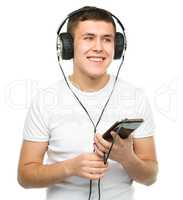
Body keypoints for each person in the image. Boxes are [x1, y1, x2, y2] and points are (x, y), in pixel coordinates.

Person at [17, 6, 158, 200]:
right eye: (89, 38)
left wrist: (127, 158)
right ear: (67, 46)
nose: (99, 47)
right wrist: (70, 167)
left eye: (107, 39)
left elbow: (150, 177)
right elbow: (25, 177)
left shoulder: (136, 97)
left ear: (117, 48)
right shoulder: (45, 101)